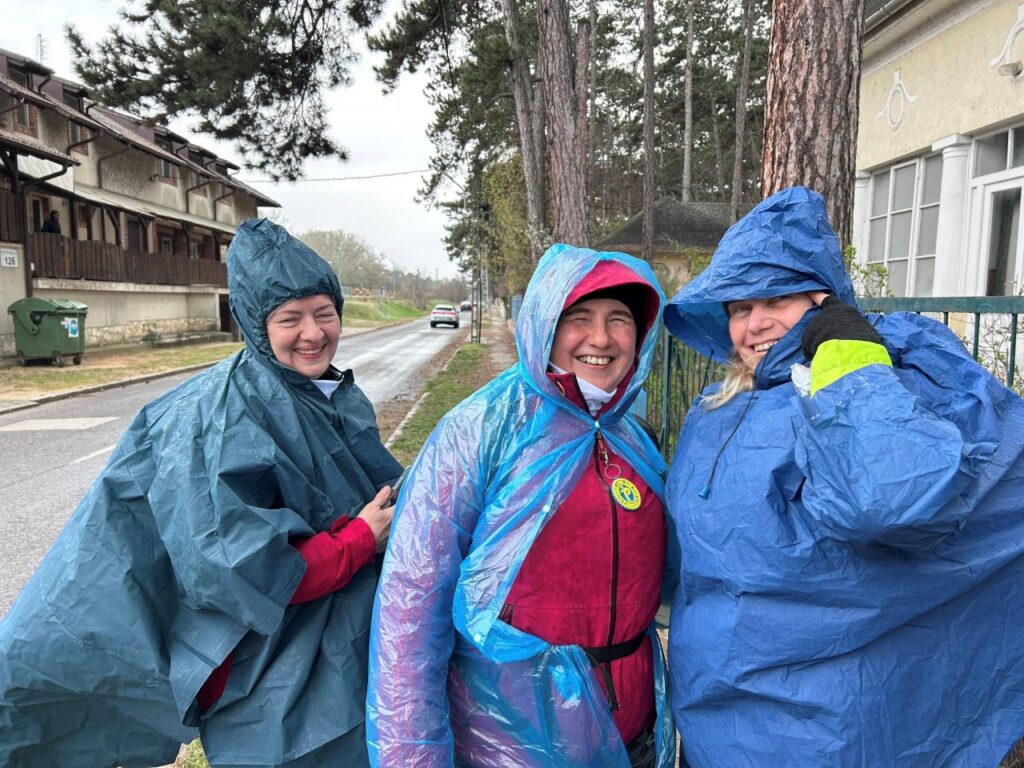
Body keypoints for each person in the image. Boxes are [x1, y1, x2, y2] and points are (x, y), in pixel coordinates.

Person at [0, 219, 402, 767]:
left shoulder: (320, 390)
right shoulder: (218, 417)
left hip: (327, 639)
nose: (313, 332)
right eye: (289, 319)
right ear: (257, 327)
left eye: (324, 313)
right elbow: (241, 572)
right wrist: (358, 540)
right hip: (264, 663)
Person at [662, 186, 1024, 767]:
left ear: (823, 301)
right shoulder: (717, 405)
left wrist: (847, 359)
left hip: (821, 729)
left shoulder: (872, 386)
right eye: (737, 307)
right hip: (709, 713)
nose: (754, 324)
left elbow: (889, 498)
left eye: (775, 299)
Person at [367, 244, 676, 768]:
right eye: (579, 318)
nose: (600, 339)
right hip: (511, 744)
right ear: (543, 326)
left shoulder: (634, 438)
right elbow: (411, 612)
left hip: (633, 737)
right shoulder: (478, 433)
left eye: (619, 319)